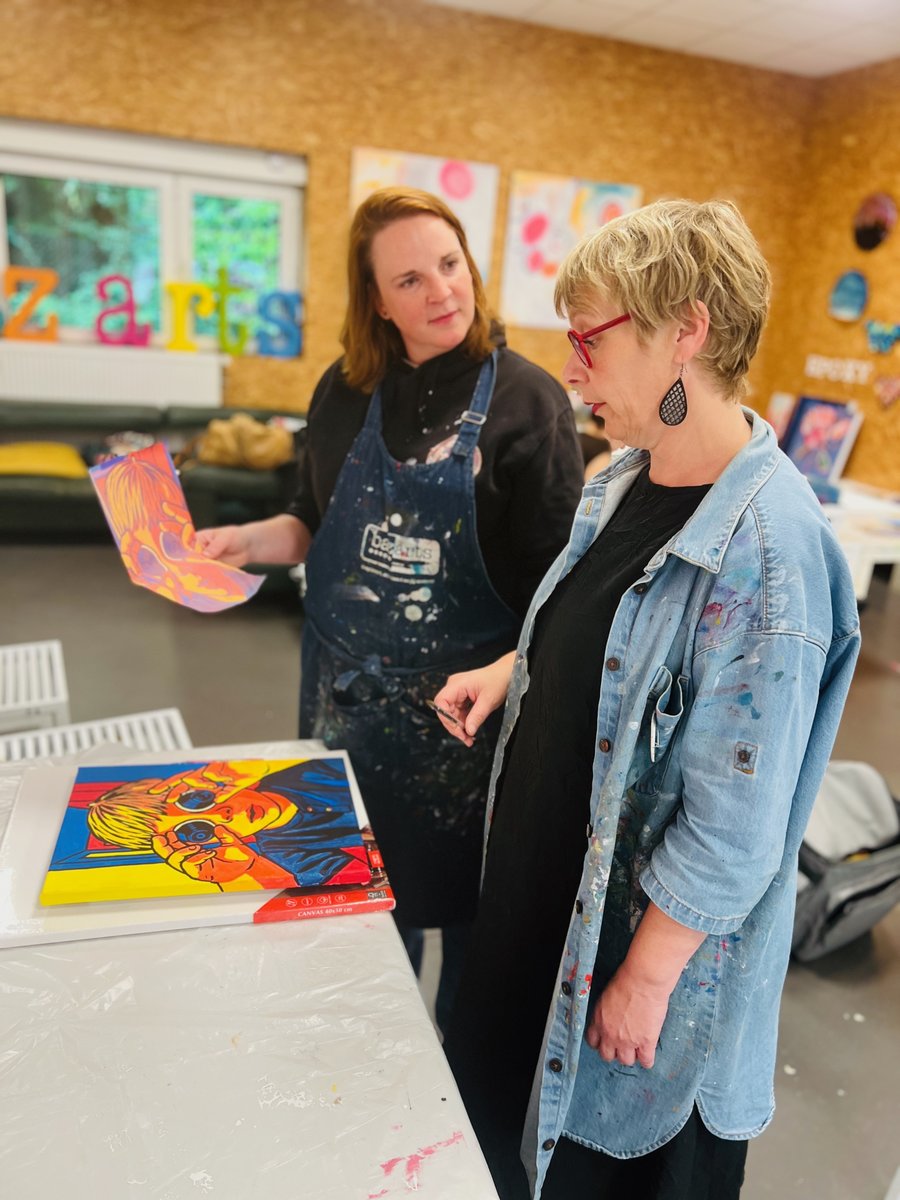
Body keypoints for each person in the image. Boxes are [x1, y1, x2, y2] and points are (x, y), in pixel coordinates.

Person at [432, 199, 861, 1199]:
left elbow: (738, 824)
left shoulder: (769, 556)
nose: (571, 368)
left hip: (632, 999)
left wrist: (647, 977)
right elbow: (616, 639)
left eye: (589, 339)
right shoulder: (624, 478)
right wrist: (519, 670)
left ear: (687, 333)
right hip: (542, 924)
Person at [197, 187, 584, 1028]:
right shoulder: (343, 391)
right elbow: (308, 520)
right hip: (345, 718)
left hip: (466, 737)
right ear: (375, 300)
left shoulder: (530, 405)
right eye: (410, 280)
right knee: (354, 943)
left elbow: (561, 600)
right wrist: (243, 542)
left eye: (450, 264)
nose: (442, 291)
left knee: (471, 947)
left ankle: (455, 1087)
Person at [87, 758, 369, 890]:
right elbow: (365, 886)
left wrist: (253, 769)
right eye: (198, 831)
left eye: (197, 800)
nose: (223, 815)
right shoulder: (285, 854)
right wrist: (253, 868)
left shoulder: (301, 770)